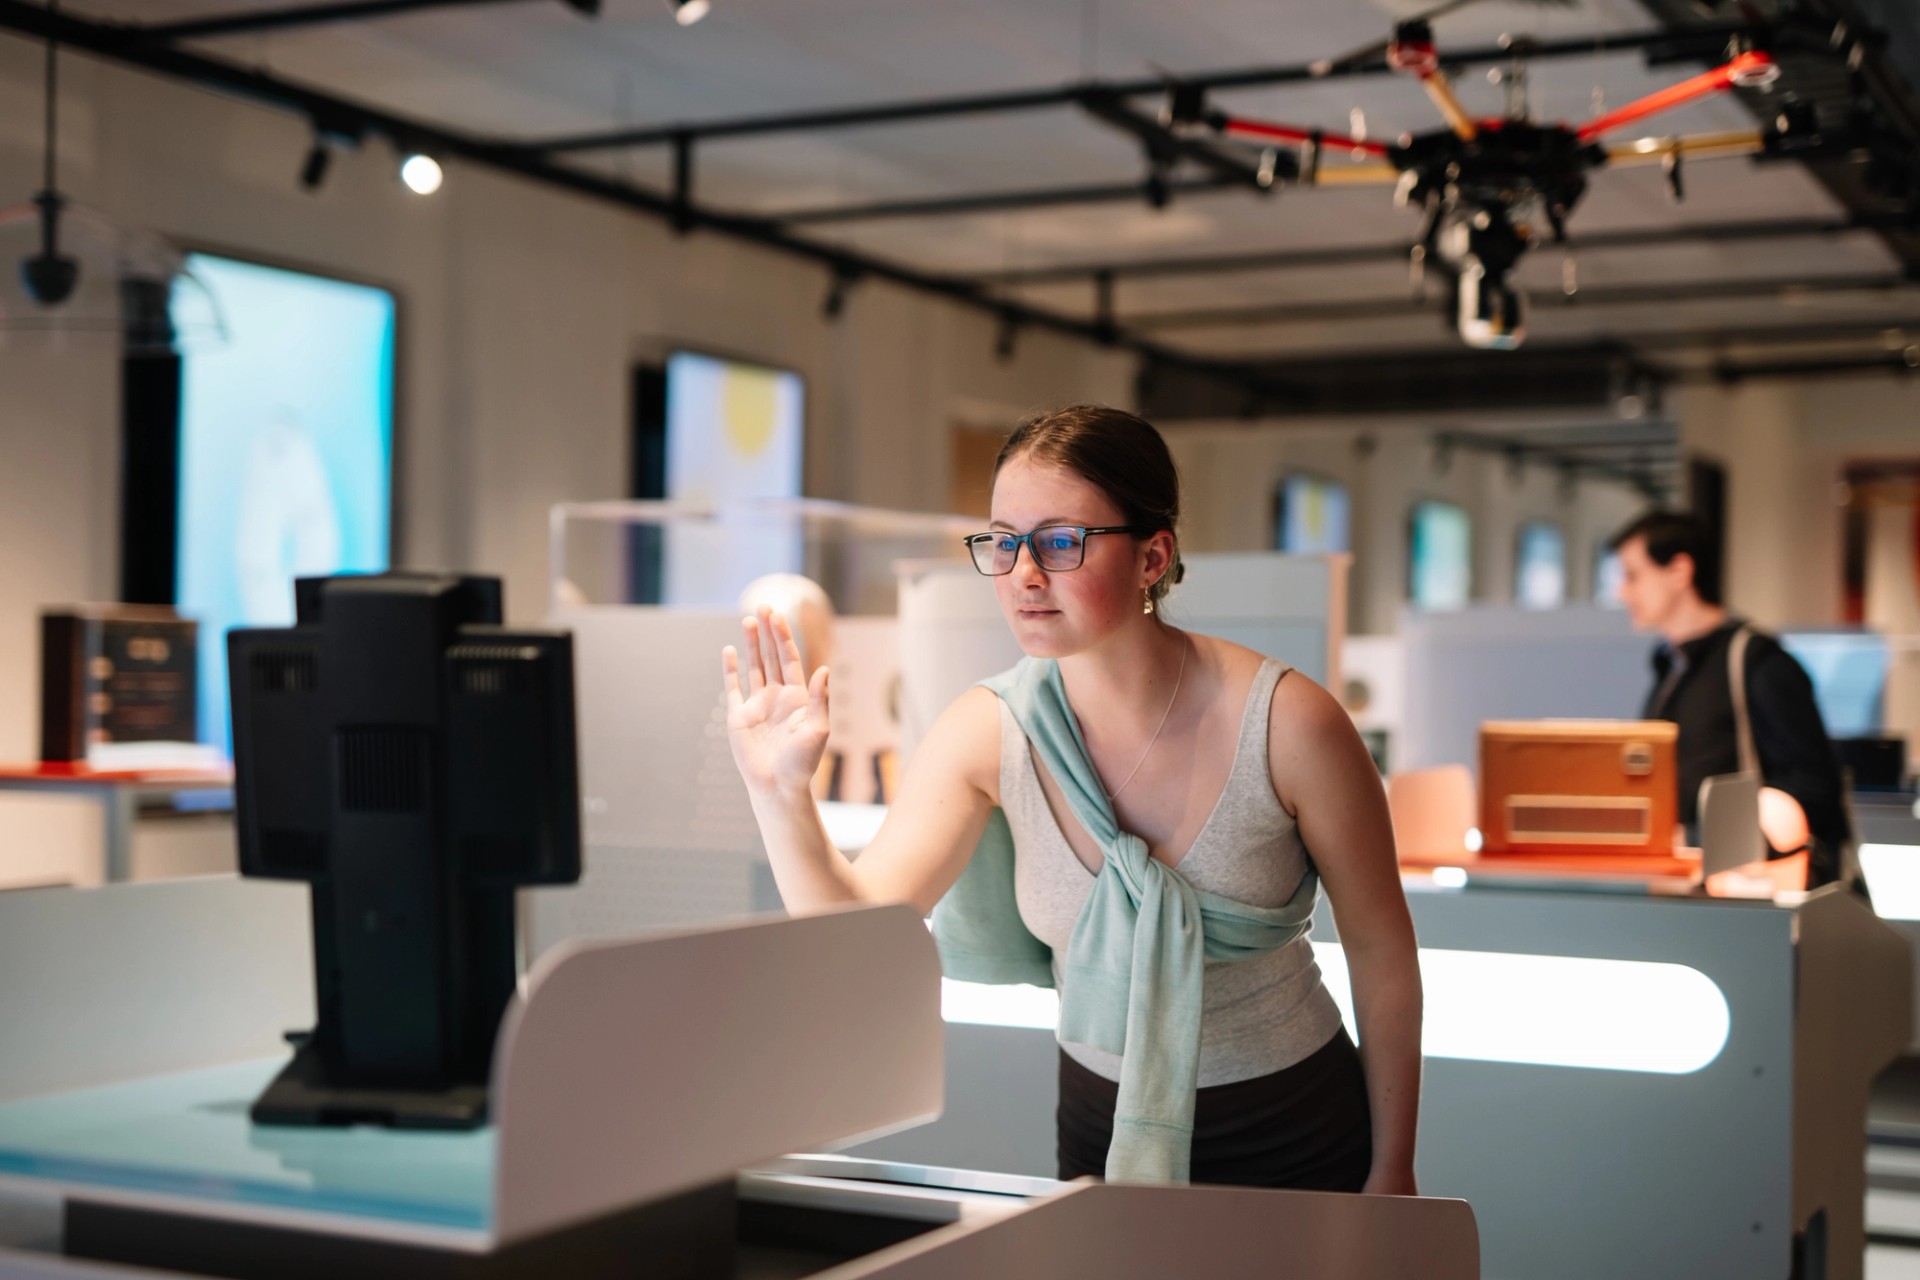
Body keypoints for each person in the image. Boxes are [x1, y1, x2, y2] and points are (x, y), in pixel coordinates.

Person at [720, 404, 1420, 1193]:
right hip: (1099, 1127)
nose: (1023, 573)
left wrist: (1394, 1164)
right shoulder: (988, 730)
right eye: (1003, 542)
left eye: (1059, 542)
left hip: (1297, 1124)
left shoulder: (1290, 724)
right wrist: (779, 792)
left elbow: (1382, 949)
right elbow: (855, 932)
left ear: (1153, 556)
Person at [1609, 510, 1851, 887]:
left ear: (1679, 571)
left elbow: (1813, 786)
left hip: (1746, 889)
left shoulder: (1757, 662)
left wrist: (1713, 839)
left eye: (1632, 576)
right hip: (1686, 884)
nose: (1621, 593)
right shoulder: (1670, 668)